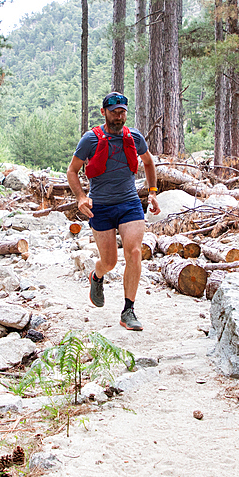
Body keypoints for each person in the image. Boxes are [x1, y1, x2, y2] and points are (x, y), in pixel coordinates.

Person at [67, 92, 160, 331]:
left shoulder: (135, 137)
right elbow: (72, 171)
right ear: (104, 113)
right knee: (109, 262)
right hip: (101, 206)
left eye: (122, 112)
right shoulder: (90, 139)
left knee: (135, 252)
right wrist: (80, 197)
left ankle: (128, 310)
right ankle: (97, 276)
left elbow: (149, 163)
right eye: (114, 112)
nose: (119, 117)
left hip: (129, 203)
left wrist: (152, 192)